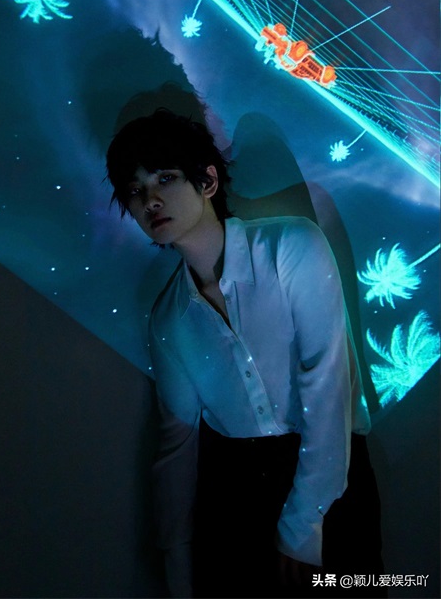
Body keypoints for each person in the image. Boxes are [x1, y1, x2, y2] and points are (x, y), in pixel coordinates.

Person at [106, 107, 384, 598]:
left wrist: (303, 523)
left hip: (334, 476)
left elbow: (328, 388)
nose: (150, 201)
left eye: (165, 178)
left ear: (208, 181)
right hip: (238, 494)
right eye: (135, 189)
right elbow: (177, 445)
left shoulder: (292, 246)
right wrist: (178, 563)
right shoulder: (168, 319)